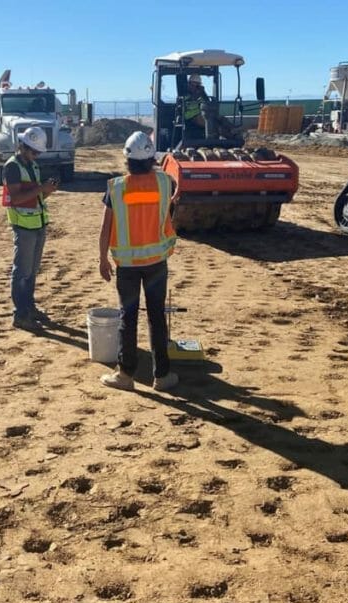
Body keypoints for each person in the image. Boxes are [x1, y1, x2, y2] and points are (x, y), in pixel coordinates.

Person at [98, 131, 179, 392]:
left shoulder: (116, 187)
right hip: (156, 262)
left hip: (128, 266)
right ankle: (162, 376)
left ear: (127, 159)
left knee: (127, 317)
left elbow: (105, 226)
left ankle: (125, 375)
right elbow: (168, 210)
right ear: (151, 158)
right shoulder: (165, 183)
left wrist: (102, 259)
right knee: (157, 317)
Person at [2, 126, 58, 330]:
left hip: (38, 223)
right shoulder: (12, 167)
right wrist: (41, 188)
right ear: (23, 147)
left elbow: (37, 196)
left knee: (32, 271)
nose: (36, 156)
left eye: (38, 153)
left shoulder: (32, 166)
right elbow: (16, 198)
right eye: (34, 152)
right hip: (23, 226)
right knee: (22, 272)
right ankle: (20, 314)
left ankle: (29, 307)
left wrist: (47, 190)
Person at [181, 74, 242, 145]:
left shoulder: (199, 93)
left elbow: (207, 102)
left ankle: (233, 130)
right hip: (191, 117)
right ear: (189, 84)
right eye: (195, 84)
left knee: (220, 118)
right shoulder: (185, 94)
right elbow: (191, 100)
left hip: (203, 114)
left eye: (198, 84)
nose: (196, 86)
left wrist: (203, 93)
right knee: (214, 125)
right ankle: (231, 137)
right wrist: (198, 93)